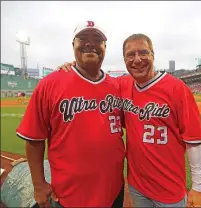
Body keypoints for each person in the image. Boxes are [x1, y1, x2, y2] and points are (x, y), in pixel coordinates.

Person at [58, 33, 201, 207]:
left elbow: (194, 140)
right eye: (130, 55)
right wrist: (75, 66)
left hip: (170, 189)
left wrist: (198, 187)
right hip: (138, 187)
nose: (137, 60)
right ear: (124, 59)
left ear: (153, 55)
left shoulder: (176, 88)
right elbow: (96, 81)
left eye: (143, 53)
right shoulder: (122, 85)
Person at [16, 21, 125, 208]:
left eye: (97, 40)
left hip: (114, 191)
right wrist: (38, 184)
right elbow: (34, 139)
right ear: (73, 45)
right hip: (68, 196)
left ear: (105, 47)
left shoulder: (118, 87)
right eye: (83, 39)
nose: (90, 44)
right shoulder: (50, 84)